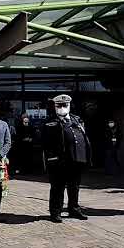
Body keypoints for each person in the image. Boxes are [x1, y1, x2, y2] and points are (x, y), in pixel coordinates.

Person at [42, 94, 91, 223]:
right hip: (59, 162)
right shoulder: (49, 122)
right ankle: (55, 212)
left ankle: (74, 209)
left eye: (65, 105)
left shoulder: (76, 120)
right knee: (57, 188)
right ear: (55, 106)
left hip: (76, 160)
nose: (62, 107)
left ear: (69, 106)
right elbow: (44, 143)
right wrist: (50, 159)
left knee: (74, 187)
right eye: (59, 105)